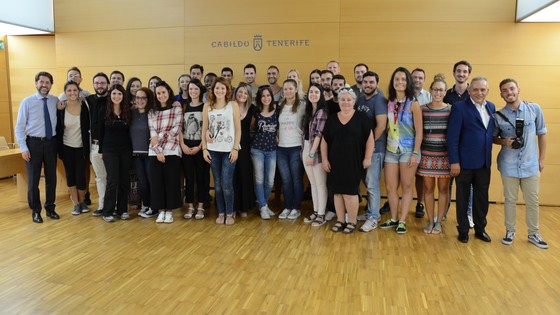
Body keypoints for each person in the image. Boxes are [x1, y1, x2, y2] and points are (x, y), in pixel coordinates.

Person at [493, 78, 548, 249]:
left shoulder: (534, 109)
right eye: (505, 90)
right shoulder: (498, 116)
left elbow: (542, 133)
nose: (509, 93)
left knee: (533, 200)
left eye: (511, 89)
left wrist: (542, 159)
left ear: (518, 89)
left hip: (530, 164)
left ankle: (534, 233)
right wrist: (504, 142)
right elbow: (493, 138)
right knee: (510, 199)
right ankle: (510, 231)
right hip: (508, 165)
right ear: (501, 95)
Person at [447, 77, 495, 243]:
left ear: (487, 91)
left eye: (482, 90)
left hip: (484, 163)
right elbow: (452, 137)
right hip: (464, 163)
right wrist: (454, 161)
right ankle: (463, 230)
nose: (479, 93)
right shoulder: (459, 108)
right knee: (462, 198)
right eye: (475, 89)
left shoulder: (491, 107)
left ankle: (480, 229)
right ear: (469, 91)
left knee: (482, 199)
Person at [321, 88, 374, 234]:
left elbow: (370, 139)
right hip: (335, 161)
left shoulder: (361, 117)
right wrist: (324, 160)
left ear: (354, 101)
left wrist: (368, 157)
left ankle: (352, 221)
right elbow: (324, 141)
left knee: (350, 193)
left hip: (354, 161)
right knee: (337, 192)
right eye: (342, 99)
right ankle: (340, 220)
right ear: (338, 101)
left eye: (349, 99)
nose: (345, 102)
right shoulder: (332, 119)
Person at [379, 67, 422, 234]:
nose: (400, 82)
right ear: (393, 82)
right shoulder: (388, 102)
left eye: (403, 79)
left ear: (408, 82)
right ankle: (394, 218)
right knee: (390, 187)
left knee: (406, 186)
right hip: (391, 149)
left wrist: (415, 153)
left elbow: (419, 131)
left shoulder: (414, 103)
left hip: (408, 150)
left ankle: (402, 221)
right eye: (397, 79)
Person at [15, 71, 60, 223]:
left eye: (47, 82)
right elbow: (19, 127)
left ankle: (50, 208)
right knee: (33, 180)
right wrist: (23, 148)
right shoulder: (27, 102)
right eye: (41, 82)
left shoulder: (55, 101)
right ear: (36, 83)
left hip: (50, 143)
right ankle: (35, 211)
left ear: (51, 85)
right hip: (33, 144)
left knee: (51, 178)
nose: (44, 85)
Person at [202, 77, 241, 225]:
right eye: (217, 88)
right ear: (213, 90)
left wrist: (236, 148)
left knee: (226, 182)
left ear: (227, 90)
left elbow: (238, 129)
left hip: (229, 150)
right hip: (213, 150)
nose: (219, 91)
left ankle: (230, 212)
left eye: (222, 88)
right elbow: (204, 129)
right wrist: (204, 148)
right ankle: (221, 212)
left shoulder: (233, 105)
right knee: (217, 184)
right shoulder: (207, 106)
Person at [417, 74, 452, 234]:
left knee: (444, 190)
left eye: (441, 90)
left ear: (445, 92)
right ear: (430, 90)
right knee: (428, 189)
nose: (438, 92)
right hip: (427, 155)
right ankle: (430, 220)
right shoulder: (422, 109)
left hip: (445, 156)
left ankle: (439, 221)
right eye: (435, 89)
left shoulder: (451, 109)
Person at [354, 71, 388, 232]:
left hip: (376, 148)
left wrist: (369, 144)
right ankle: (370, 212)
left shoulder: (380, 100)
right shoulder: (360, 99)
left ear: (377, 83)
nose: (368, 85)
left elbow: (381, 126)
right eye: (365, 82)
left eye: (371, 82)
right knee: (367, 181)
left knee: (372, 183)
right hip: (362, 148)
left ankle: (374, 217)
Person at [444, 60, 474, 225]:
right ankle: (444, 212)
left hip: (468, 147)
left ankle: (468, 215)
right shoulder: (447, 95)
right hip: (449, 146)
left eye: (464, 71)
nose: (461, 74)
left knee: (467, 186)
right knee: (446, 184)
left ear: (469, 74)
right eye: (458, 71)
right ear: (454, 73)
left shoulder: (475, 94)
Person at [148, 81, 183, 224]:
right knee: (157, 182)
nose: (161, 95)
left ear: (169, 92)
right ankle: (161, 210)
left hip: (172, 150)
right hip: (155, 151)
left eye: (163, 92)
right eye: (158, 93)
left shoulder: (177, 109)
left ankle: (169, 211)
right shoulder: (152, 112)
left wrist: (159, 138)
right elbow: (152, 132)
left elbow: (177, 129)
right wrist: (158, 150)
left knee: (171, 182)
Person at [98, 84, 132, 222]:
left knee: (124, 180)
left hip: (125, 150)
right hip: (109, 150)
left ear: (123, 96)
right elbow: (100, 132)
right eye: (114, 94)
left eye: (119, 94)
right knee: (112, 180)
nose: (116, 96)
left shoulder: (127, 111)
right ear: (110, 95)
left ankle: (122, 210)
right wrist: (101, 150)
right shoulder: (103, 110)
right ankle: (108, 211)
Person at [56, 81, 91, 215]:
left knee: (81, 176)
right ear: (65, 93)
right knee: (70, 175)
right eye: (69, 90)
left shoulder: (85, 105)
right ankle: (75, 203)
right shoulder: (61, 108)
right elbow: (58, 128)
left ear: (79, 92)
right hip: (66, 147)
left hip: (81, 147)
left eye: (75, 90)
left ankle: (82, 201)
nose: (72, 93)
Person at [180, 79, 209, 220]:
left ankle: (201, 206)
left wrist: (200, 147)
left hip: (201, 148)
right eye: (191, 89)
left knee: (201, 178)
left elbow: (207, 128)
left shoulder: (205, 106)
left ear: (200, 90)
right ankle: (190, 206)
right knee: (189, 179)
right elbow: (180, 128)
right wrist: (183, 145)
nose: (193, 91)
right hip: (186, 148)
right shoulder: (183, 106)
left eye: (196, 89)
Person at [277, 79, 306, 220]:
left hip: (296, 147)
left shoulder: (302, 105)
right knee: (286, 180)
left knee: (296, 179)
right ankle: (287, 207)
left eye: (290, 89)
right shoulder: (279, 106)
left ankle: (296, 208)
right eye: (285, 89)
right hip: (281, 148)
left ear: (296, 90)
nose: (287, 91)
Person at [302, 83, 328, 227]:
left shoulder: (321, 112)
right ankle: (316, 211)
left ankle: (322, 214)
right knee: (312, 184)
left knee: (320, 184)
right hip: (305, 148)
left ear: (321, 95)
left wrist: (311, 154)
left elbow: (319, 134)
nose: (313, 94)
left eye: (316, 92)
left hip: (315, 151)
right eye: (311, 92)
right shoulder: (308, 111)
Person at [251, 85, 279, 219]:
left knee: (269, 181)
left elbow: (280, 128)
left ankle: (264, 204)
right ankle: (263, 207)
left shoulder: (277, 110)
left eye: (268, 95)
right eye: (263, 96)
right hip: (257, 149)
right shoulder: (255, 112)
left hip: (272, 149)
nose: (266, 98)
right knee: (259, 179)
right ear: (259, 98)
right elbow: (250, 128)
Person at [87, 73, 110, 216]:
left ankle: (112, 206)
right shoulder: (88, 100)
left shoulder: (113, 99)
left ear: (107, 84)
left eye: (102, 83)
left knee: (112, 177)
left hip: (109, 146)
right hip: (94, 146)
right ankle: (102, 205)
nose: (100, 86)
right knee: (100, 177)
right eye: (97, 83)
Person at [410, 68, 432, 219]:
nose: (417, 80)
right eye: (415, 77)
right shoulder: (404, 95)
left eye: (420, 78)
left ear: (424, 80)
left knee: (420, 175)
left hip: (424, 141)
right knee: (401, 174)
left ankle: (420, 203)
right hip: (404, 140)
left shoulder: (430, 97)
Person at [131, 87, 156, 218]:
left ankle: (153, 206)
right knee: (142, 182)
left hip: (150, 153)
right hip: (135, 154)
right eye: (138, 97)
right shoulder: (131, 113)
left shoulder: (152, 113)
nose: (140, 100)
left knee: (151, 181)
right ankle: (145, 205)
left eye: (143, 98)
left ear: (148, 99)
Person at [232, 83, 255, 217]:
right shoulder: (229, 107)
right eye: (240, 92)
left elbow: (253, 126)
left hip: (245, 146)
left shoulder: (252, 109)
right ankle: (233, 207)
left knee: (244, 175)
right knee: (232, 176)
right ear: (236, 93)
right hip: (230, 145)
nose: (242, 95)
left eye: (245, 93)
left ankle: (244, 207)